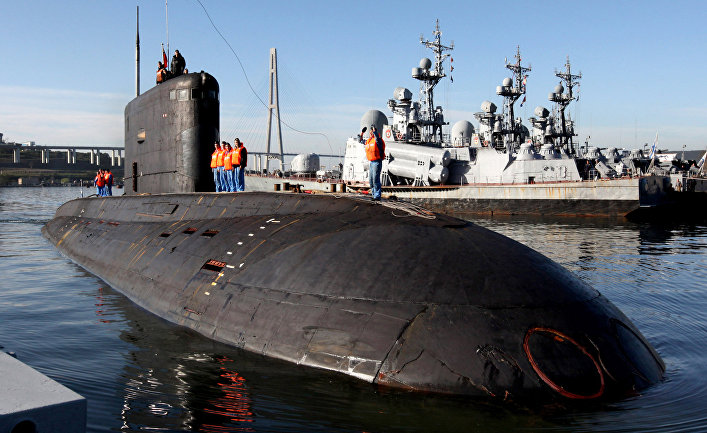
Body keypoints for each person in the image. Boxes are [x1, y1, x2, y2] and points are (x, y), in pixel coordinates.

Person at [364, 125, 385, 200]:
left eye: (372, 132)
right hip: (371, 163)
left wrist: (374, 130)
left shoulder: (378, 140)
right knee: (371, 180)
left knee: (376, 179)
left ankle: (377, 196)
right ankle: (374, 195)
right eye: (370, 132)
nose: (370, 133)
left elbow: (377, 138)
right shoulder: (369, 141)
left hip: (377, 162)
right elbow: (360, 140)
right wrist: (362, 133)